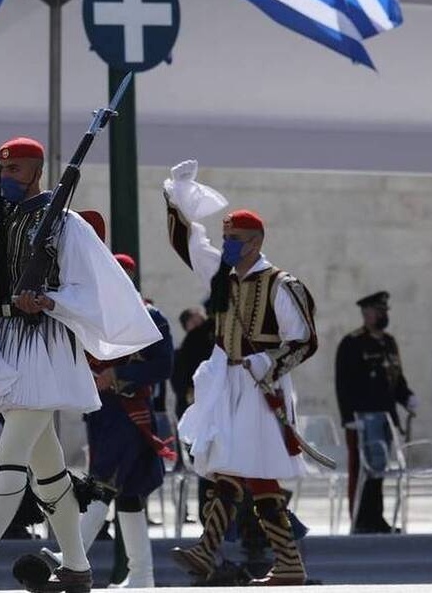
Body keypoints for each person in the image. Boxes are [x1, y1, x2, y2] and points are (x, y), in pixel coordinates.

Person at [0, 79, 160, 593]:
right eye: (1, 168)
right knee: (49, 472)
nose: (4, 176)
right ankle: (78, 567)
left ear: (37, 171)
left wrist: (48, 300)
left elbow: (92, 285)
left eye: (14, 169)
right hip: (10, 344)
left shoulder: (66, 225)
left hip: (47, 349)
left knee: (13, 454)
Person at [163, 160, 318, 586]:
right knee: (232, 466)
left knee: (248, 470)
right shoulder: (222, 275)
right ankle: (272, 561)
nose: (228, 245)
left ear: (256, 242)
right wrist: (176, 195)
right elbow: (186, 244)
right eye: (226, 238)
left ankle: (218, 552)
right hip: (226, 380)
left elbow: (304, 339)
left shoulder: (281, 284)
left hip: (260, 383)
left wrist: (267, 363)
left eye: (235, 240)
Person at [40, 216, 174, 588]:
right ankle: (142, 575)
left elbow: (163, 365)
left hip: (132, 413)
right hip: (103, 413)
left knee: (104, 484)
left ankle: (72, 556)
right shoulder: (96, 315)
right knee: (128, 497)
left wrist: (115, 377)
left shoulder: (150, 316)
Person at [334, 290, 417, 534]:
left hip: (386, 417)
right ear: (366, 314)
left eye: (383, 311)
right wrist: (348, 417)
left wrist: (407, 397)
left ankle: (377, 518)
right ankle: (360, 518)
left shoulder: (388, 342)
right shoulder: (352, 343)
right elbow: (343, 383)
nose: (381, 315)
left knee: (379, 470)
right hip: (362, 418)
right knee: (361, 469)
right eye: (377, 311)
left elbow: (395, 378)